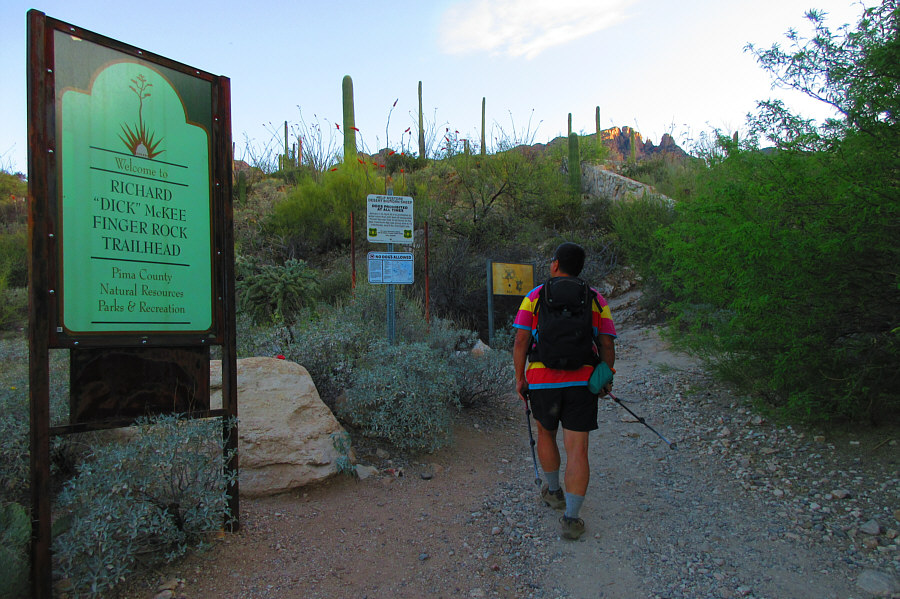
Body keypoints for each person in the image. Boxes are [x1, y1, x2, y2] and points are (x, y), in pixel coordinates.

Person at [513, 242, 616, 540]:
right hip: (581, 382)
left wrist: (520, 378)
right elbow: (607, 344)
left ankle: (554, 491)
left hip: (542, 380)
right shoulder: (596, 300)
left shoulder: (534, 296)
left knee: (545, 433)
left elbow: (520, 341)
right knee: (578, 448)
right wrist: (605, 376)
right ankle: (571, 519)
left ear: (556, 264)